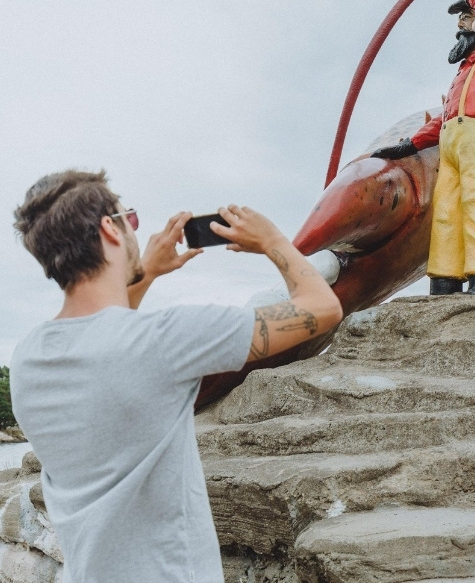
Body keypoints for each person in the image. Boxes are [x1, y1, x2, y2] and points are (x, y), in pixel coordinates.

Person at [10, 169, 343, 583]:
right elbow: (322, 308)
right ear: (109, 231)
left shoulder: (29, 359)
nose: (136, 231)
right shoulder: (167, 340)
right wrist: (273, 241)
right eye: (128, 219)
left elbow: (107, 344)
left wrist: (145, 272)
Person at [371, 0, 475, 296]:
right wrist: (411, 145)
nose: (460, 26)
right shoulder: (464, 71)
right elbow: (446, 117)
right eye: (459, 20)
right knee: (446, 209)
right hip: (452, 143)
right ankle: (446, 275)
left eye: (465, 18)